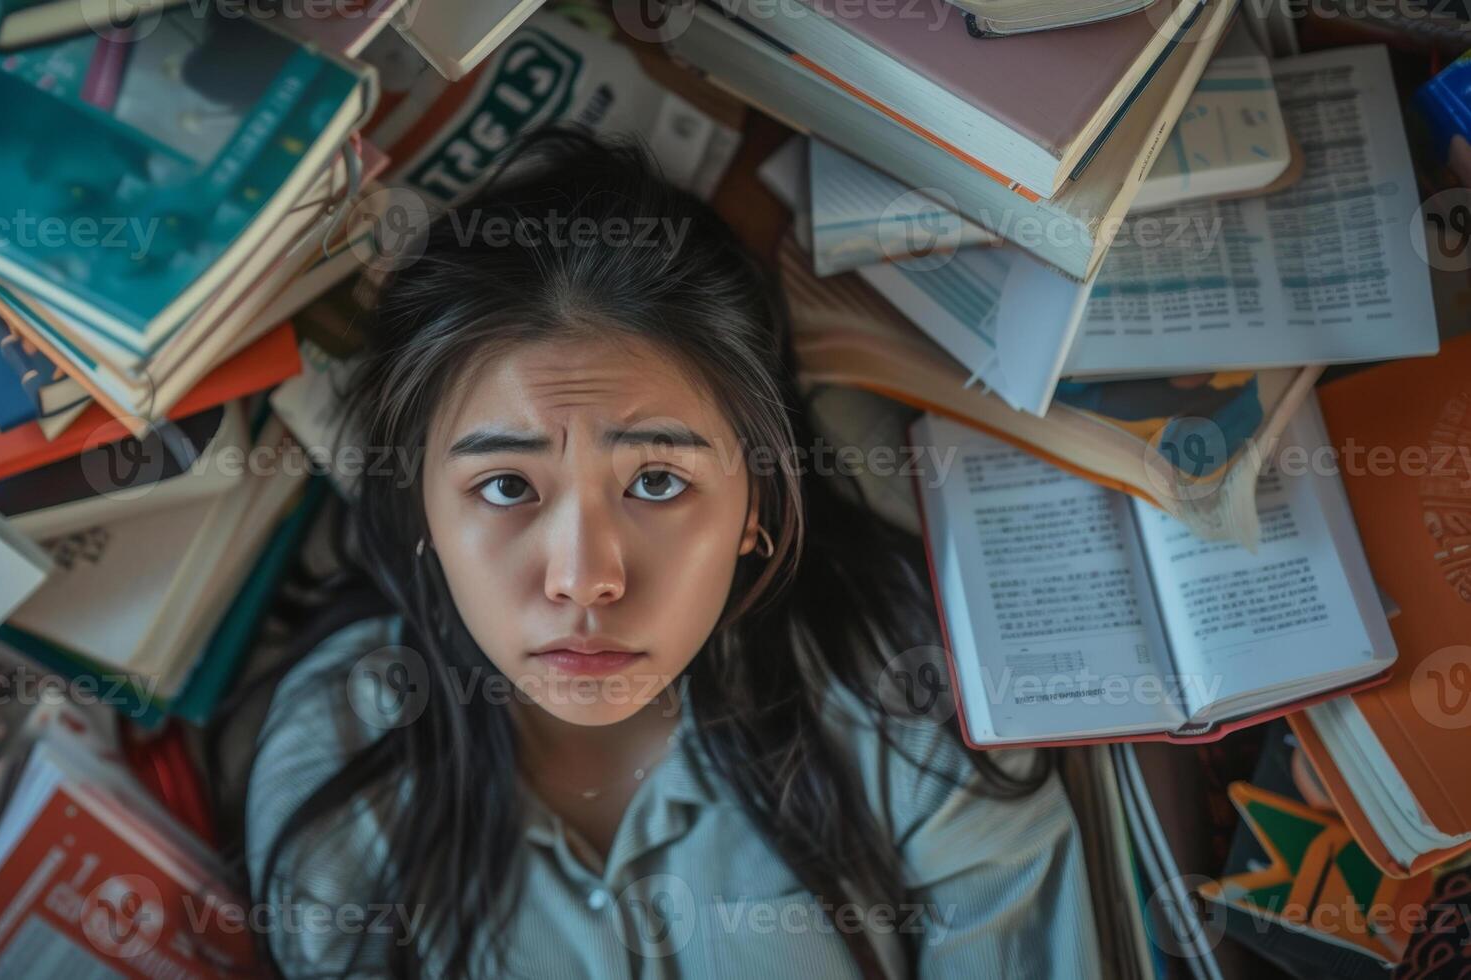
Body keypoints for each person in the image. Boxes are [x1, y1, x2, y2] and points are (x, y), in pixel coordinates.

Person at [246, 127, 1101, 979]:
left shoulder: (901, 694)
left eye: (656, 482)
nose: (584, 578)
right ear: (418, 504)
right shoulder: (342, 769)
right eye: (507, 487)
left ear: (756, 503)